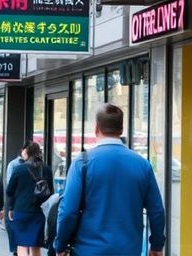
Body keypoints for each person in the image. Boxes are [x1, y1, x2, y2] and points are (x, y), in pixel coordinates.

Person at [54, 103, 165, 256]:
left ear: (96, 128)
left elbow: (68, 211)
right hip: (129, 250)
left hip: (88, 250)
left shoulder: (82, 163)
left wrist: (60, 245)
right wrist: (157, 245)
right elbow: (156, 210)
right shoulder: (142, 165)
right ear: (121, 129)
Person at [7, 142, 51, 256]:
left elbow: (9, 191)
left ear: (27, 153)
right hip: (39, 212)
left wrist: (11, 207)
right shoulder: (46, 169)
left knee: (22, 244)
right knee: (36, 245)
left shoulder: (19, 169)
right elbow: (51, 191)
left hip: (21, 211)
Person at [4, 142, 30, 256]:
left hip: (27, 205)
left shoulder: (34, 165)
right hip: (16, 204)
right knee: (17, 235)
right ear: (22, 151)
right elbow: (10, 188)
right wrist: (11, 206)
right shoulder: (14, 165)